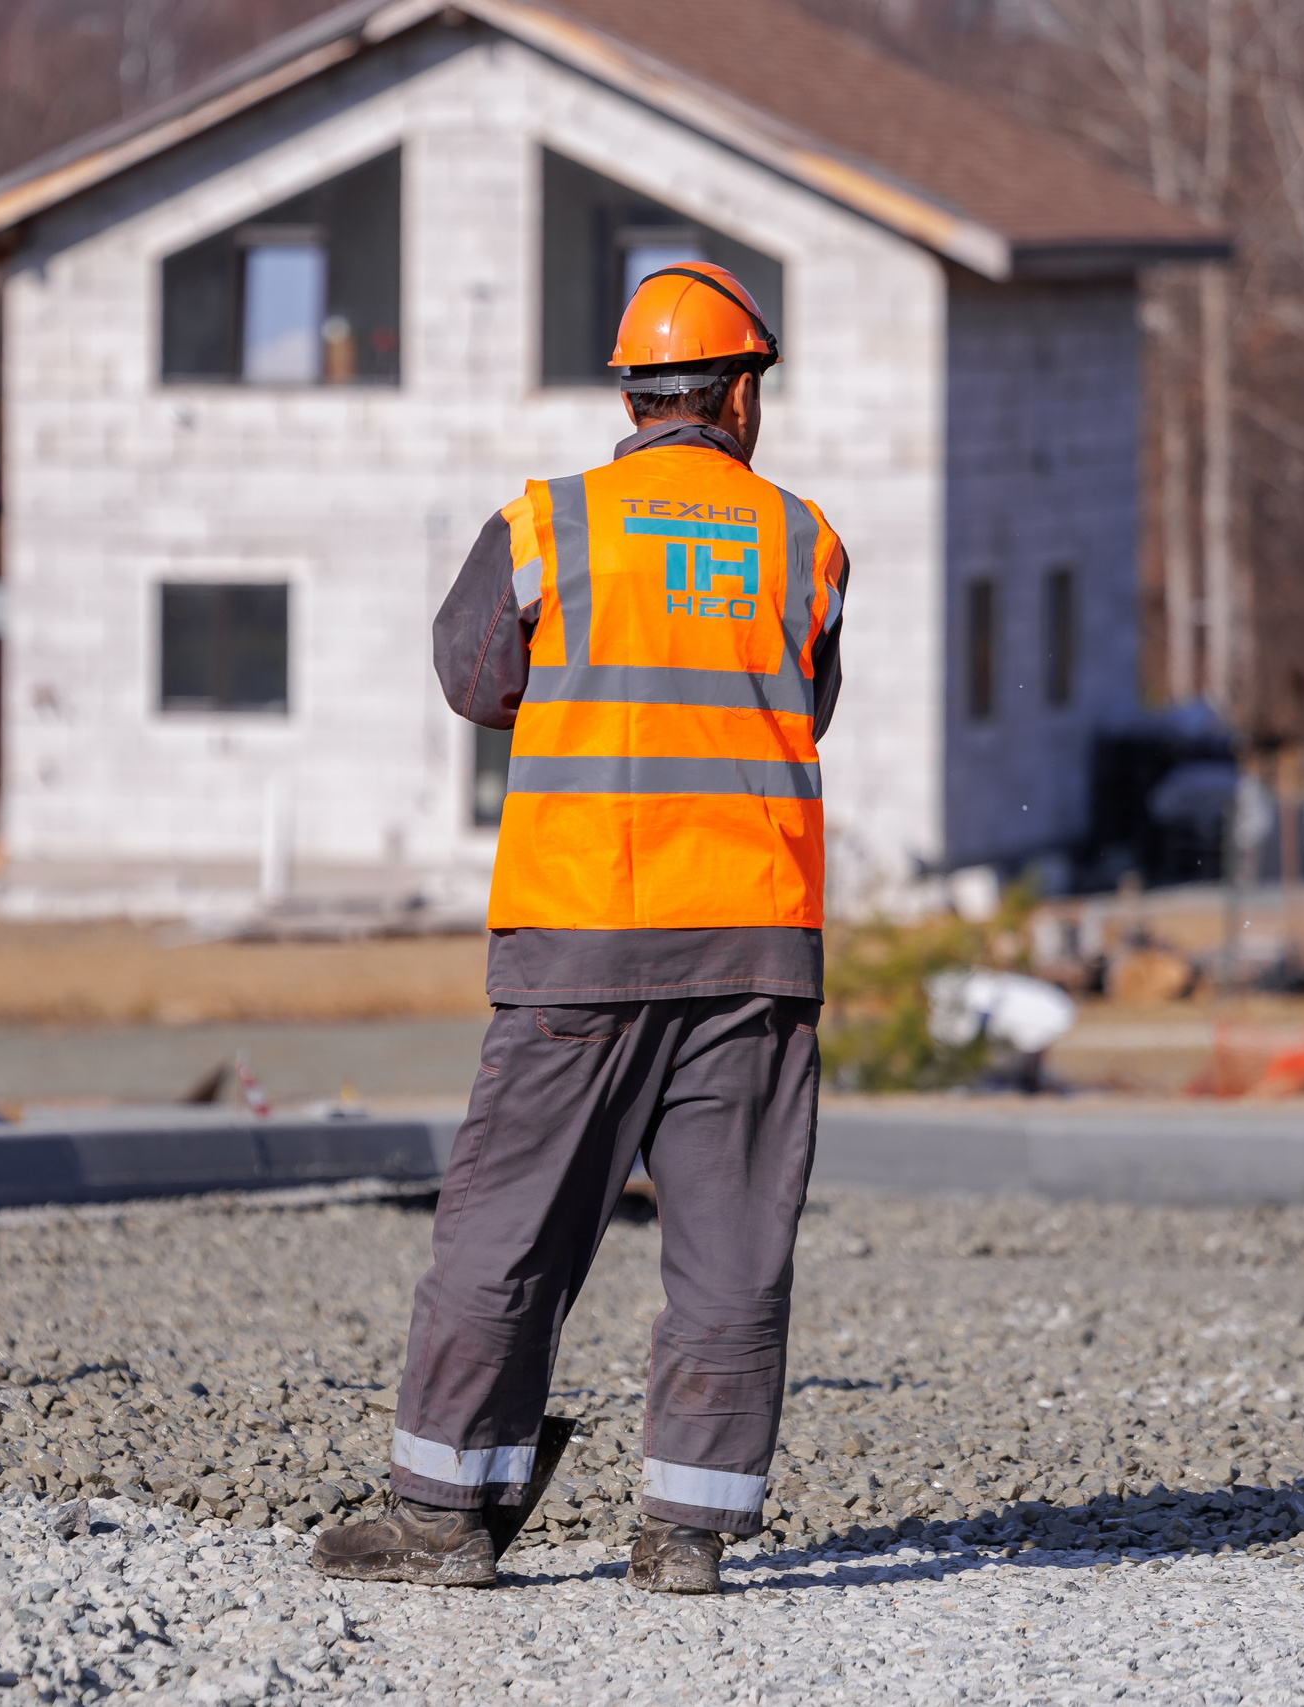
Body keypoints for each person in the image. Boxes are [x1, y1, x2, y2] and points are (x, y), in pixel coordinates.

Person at [310, 264, 847, 1595]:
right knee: (729, 1245)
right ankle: (686, 1530)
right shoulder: (806, 541)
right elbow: (807, 701)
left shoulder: (548, 525)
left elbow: (473, 675)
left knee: (503, 1229)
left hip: (582, 935)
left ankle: (444, 1511)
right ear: (739, 395)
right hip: (753, 947)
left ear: (635, 393)